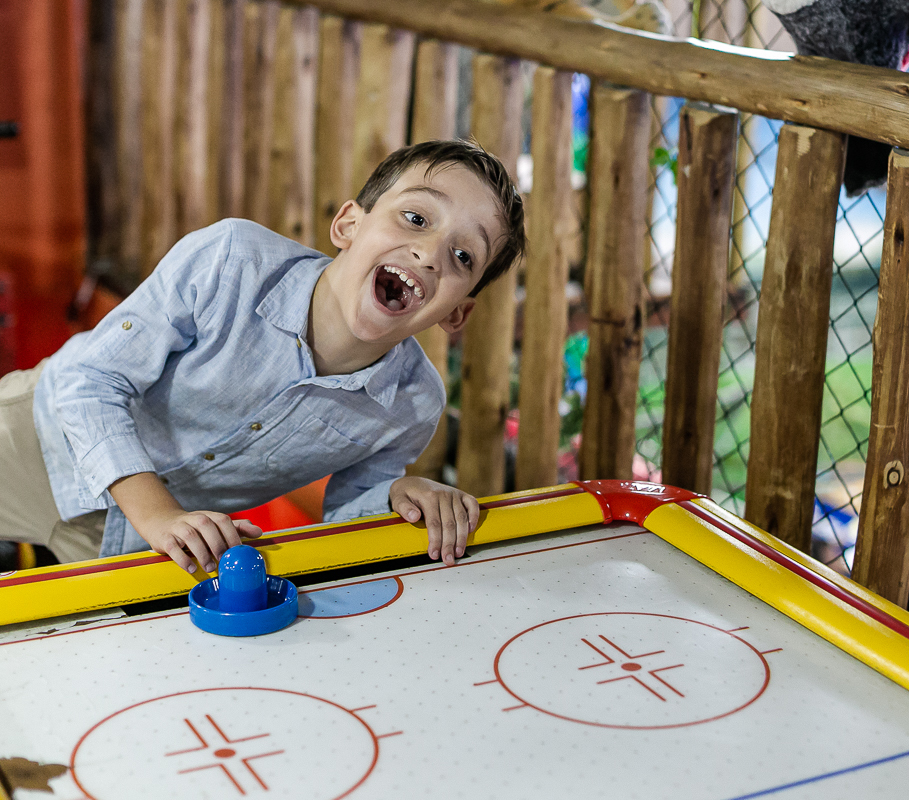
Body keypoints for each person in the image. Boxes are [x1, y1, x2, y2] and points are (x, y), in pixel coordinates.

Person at [0, 139, 524, 575]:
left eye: (462, 256)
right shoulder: (229, 260)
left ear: (458, 314)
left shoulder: (412, 403)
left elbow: (348, 510)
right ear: (347, 225)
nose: (429, 254)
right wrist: (158, 513)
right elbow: (90, 381)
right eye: (415, 217)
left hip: (152, 543)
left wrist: (397, 495)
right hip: (39, 440)